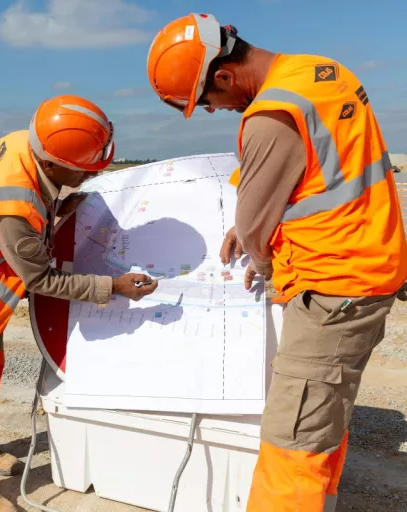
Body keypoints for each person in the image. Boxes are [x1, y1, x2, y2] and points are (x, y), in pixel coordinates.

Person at [146, 13, 407, 512]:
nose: (211, 111)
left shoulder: (269, 116)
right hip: (372, 266)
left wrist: (265, 258)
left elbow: (253, 230)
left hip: (333, 287)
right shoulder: (320, 74)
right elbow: (318, 174)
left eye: (206, 103)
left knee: (293, 439)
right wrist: (259, 218)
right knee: (323, 419)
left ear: (223, 76)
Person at [0, 94, 158, 511]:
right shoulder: (13, 210)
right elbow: (40, 278)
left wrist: (57, 207)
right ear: (54, 163)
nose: (93, 173)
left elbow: (33, 201)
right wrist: (112, 287)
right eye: (86, 168)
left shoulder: (27, 145)